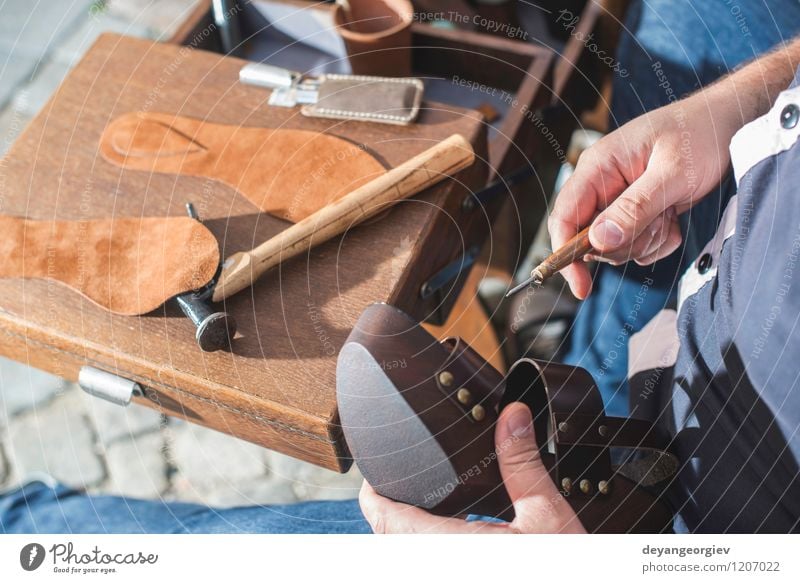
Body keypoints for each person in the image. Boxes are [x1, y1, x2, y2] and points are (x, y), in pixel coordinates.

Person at [562, 0, 800, 417]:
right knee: (627, 283)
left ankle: (611, 422)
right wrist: (726, 107)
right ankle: (593, 396)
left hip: (767, 54)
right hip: (674, 27)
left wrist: (750, 103)